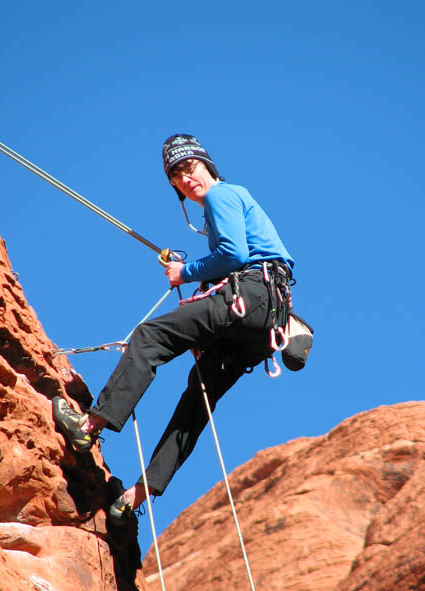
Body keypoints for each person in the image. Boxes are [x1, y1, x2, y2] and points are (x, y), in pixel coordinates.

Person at [52, 134, 295, 524]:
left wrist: (186, 272)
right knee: (200, 394)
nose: (186, 178)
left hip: (251, 294)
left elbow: (234, 254)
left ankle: (89, 424)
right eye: (176, 176)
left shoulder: (222, 195)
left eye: (190, 167)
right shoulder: (227, 203)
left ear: (207, 166)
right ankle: (137, 494)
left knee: (151, 337)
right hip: (267, 321)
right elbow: (236, 258)